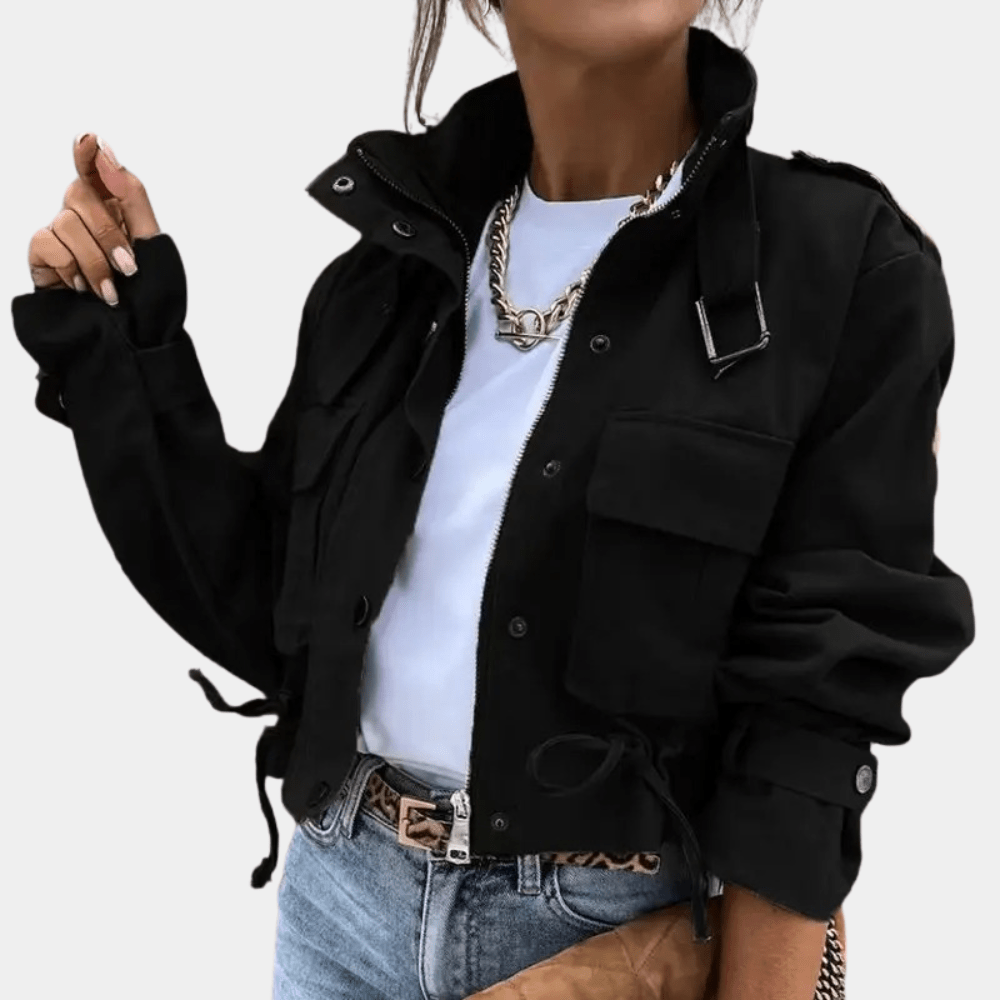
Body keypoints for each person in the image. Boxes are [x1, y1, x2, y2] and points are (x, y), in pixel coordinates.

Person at [12, 1, 975, 999]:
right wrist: (124, 352)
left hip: (603, 941)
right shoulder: (387, 275)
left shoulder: (837, 268)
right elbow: (274, 618)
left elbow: (811, 721)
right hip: (341, 901)